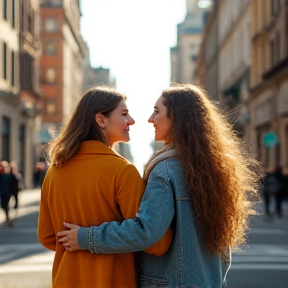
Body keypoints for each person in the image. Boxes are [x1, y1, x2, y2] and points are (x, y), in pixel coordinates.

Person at [57, 83, 261, 288]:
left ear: (177, 119)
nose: (150, 119)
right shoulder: (212, 168)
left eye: (156, 112)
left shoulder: (165, 170)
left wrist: (86, 237)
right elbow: (223, 251)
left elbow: (146, 232)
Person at [37, 85, 172, 288]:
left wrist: (79, 244)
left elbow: (47, 237)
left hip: (66, 280)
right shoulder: (122, 171)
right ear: (101, 120)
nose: (132, 121)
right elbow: (154, 242)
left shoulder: (54, 172)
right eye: (124, 114)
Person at [0, 161, 13, 227]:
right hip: (2, 192)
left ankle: (8, 218)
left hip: (7, 192)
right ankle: (8, 217)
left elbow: (12, 184)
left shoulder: (9, 175)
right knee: (3, 205)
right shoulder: (1, 175)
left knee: (5, 205)